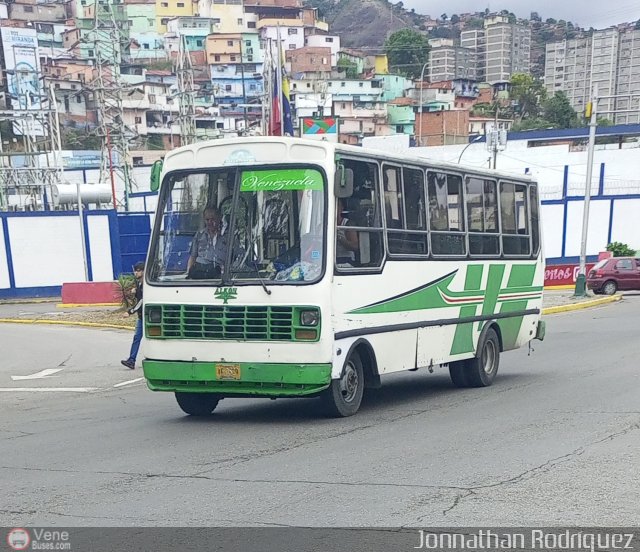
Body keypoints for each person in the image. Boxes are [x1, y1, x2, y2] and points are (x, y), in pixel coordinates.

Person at [187, 206, 229, 279]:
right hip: (199, 272)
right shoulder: (199, 235)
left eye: (213, 219)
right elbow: (192, 257)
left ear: (219, 218)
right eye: (207, 220)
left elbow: (238, 257)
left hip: (219, 275)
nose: (210, 222)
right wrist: (188, 274)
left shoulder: (228, 237)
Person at [121, 261, 144, 369]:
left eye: (139, 270)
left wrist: (130, 312)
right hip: (141, 317)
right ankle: (132, 360)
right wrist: (135, 292)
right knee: (136, 338)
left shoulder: (147, 285)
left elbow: (142, 302)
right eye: (135, 270)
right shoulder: (139, 284)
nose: (136, 273)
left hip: (148, 317)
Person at [336, 199, 359, 265]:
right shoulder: (321, 226)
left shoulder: (348, 224)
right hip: (325, 260)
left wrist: (341, 240)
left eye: (337, 206)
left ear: (341, 208)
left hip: (346, 260)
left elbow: (355, 246)